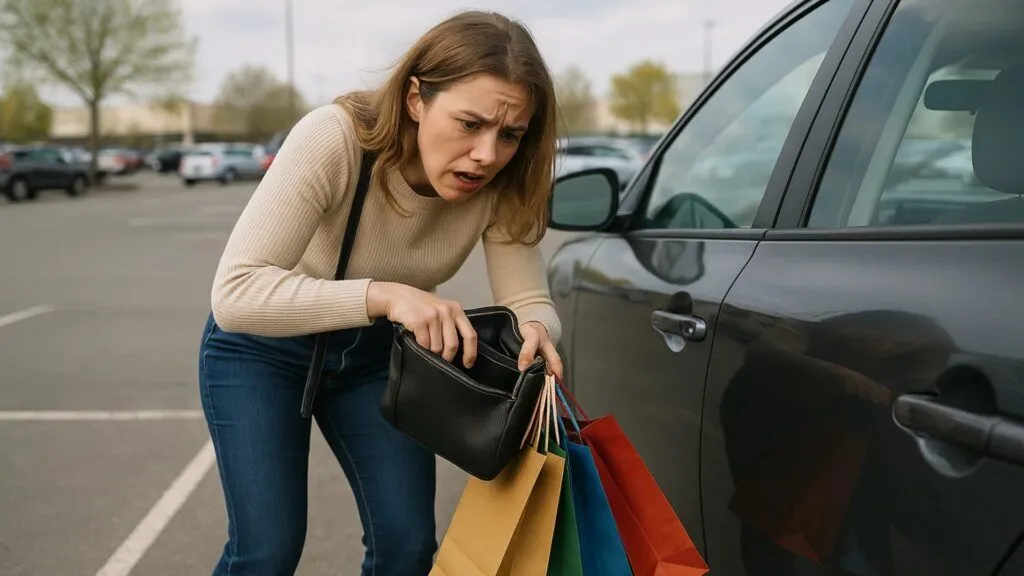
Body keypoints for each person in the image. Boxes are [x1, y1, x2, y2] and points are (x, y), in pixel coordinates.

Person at [197, 9, 565, 576]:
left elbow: (528, 298)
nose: (488, 154)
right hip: (262, 350)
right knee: (265, 553)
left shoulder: (504, 181)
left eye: (510, 134)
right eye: (470, 123)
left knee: (408, 546)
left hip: (376, 359)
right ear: (417, 99)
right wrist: (385, 295)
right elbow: (238, 292)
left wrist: (538, 330)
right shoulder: (337, 137)